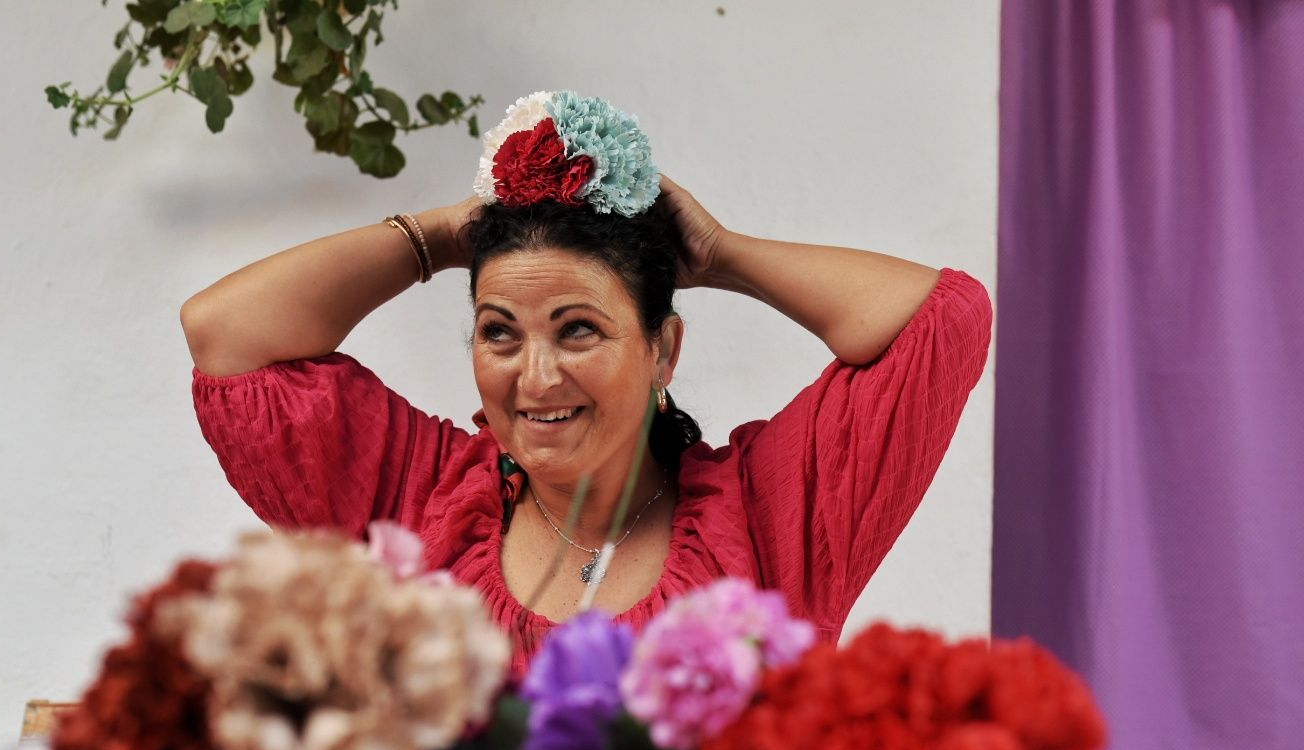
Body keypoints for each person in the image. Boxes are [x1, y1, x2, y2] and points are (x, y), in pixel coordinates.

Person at [180, 91, 992, 672]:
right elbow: (227, 335)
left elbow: (942, 319)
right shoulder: (419, 504)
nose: (536, 377)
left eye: (579, 330)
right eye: (500, 331)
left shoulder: (770, 518)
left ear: (663, 350)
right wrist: (440, 235)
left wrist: (721, 254)